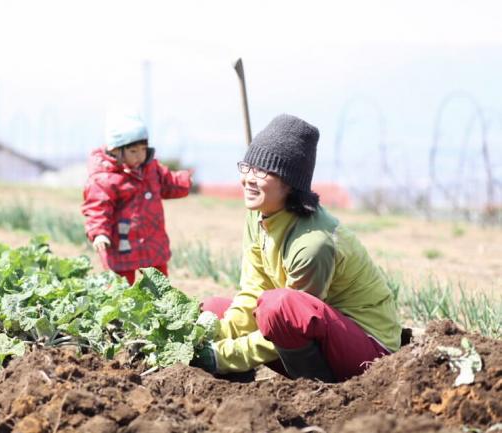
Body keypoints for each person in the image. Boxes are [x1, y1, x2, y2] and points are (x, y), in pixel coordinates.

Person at [191, 114, 401, 382]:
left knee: (278, 307)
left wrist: (222, 355)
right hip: (311, 332)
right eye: (247, 166)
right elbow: (253, 290)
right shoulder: (259, 215)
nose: (249, 179)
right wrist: (214, 336)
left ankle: (318, 390)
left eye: (263, 170)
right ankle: (234, 381)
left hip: (368, 351)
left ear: (290, 182)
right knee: (215, 309)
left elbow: (289, 317)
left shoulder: (313, 244)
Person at [81, 113, 192, 285]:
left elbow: (168, 182)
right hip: (121, 245)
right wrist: (99, 233)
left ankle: (160, 309)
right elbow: (97, 208)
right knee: (122, 290)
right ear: (116, 150)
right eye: (133, 151)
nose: (140, 155)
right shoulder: (104, 178)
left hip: (152, 241)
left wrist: (185, 181)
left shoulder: (151, 168)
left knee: (159, 287)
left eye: (143, 149)